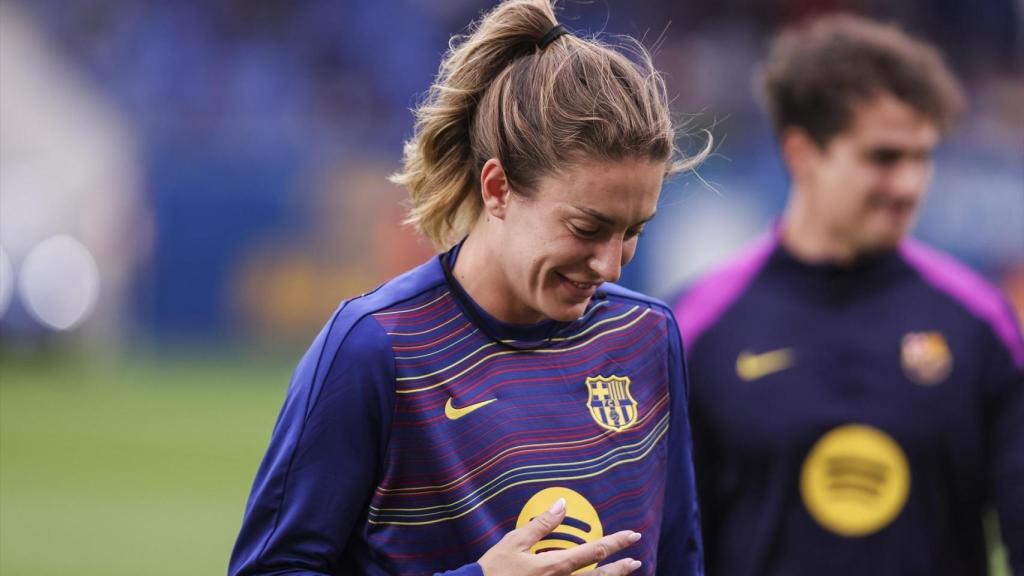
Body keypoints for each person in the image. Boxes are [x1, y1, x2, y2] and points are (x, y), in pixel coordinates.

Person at [229, 1, 709, 574]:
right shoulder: (375, 349)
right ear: (498, 188)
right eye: (587, 228)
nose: (610, 265)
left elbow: (680, 556)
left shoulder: (647, 336)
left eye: (633, 232)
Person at [672, 13, 1023, 576]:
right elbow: (669, 545)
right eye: (883, 158)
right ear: (801, 154)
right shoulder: (697, 326)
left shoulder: (980, 321)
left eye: (922, 157)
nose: (908, 185)